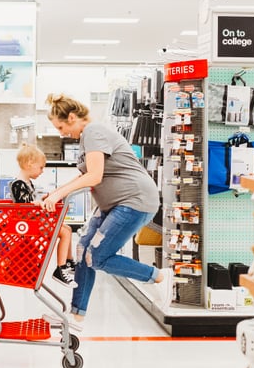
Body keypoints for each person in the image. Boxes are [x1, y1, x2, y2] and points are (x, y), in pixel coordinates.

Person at [38, 93, 172, 331]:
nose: (61, 133)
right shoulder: (86, 138)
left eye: (61, 127)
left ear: (71, 117)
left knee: (97, 257)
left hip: (134, 201)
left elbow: (94, 176)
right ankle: (76, 316)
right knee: (83, 251)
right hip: (113, 204)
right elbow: (86, 175)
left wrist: (60, 194)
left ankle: (159, 277)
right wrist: (56, 192)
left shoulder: (94, 132)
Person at [11, 144, 76, 288]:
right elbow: (23, 207)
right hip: (28, 226)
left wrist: (44, 199)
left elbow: (31, 202)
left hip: (34, 223)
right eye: (41, 167)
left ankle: (69, 262)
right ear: (30, 164)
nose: (42, 171)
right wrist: (38, 203)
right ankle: (61, 269)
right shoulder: (18, 184)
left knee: (67, 229)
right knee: (64, 232)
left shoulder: (28, 183)